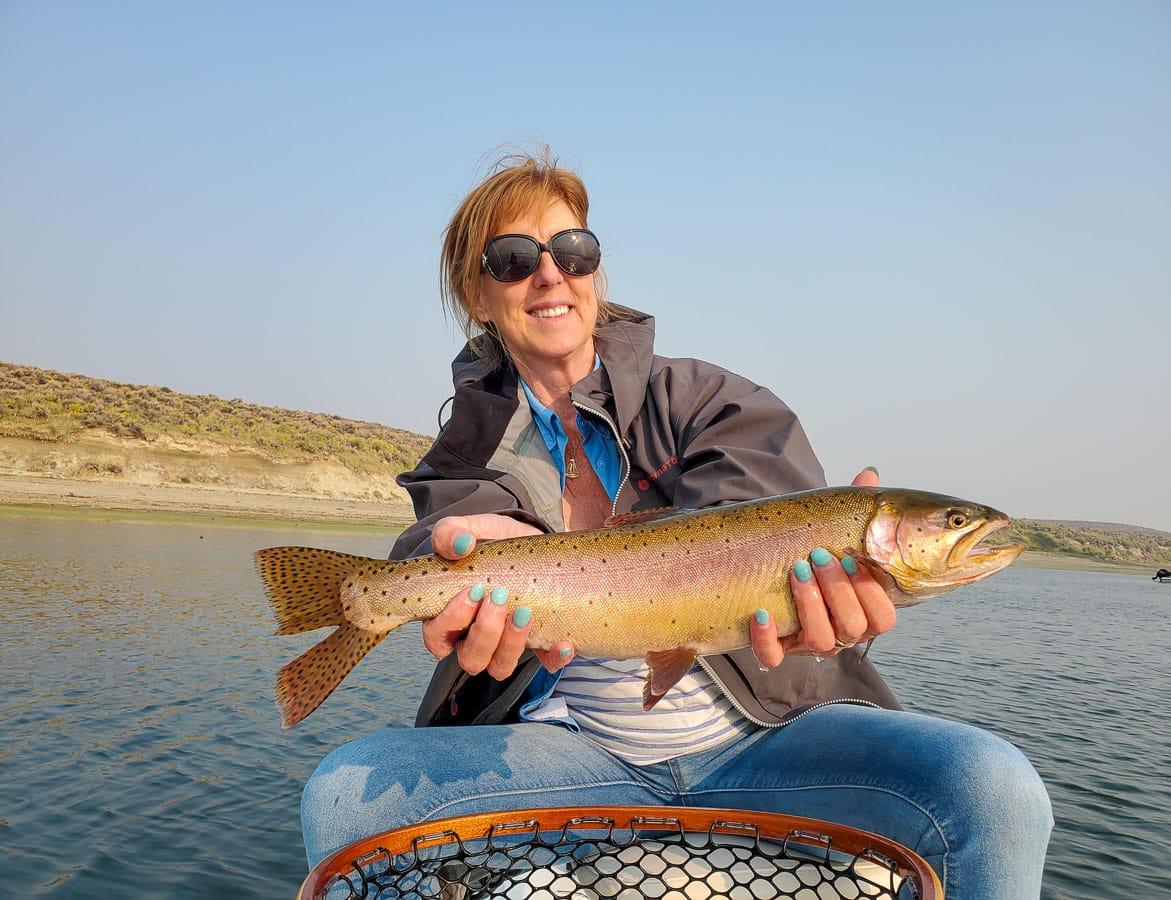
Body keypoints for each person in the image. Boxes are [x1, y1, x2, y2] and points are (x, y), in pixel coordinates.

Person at [300, 147, 1053, 898]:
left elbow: (751, 510)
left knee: (993, 789)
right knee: (340, 797)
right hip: (567, 760)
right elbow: (441, 530)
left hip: (770, 743)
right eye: (513, 258)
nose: (550, 273)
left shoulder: (712, 400)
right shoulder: (462, 452)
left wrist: (827, 610)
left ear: (595, 269)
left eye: (573, 250)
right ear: (478, 293)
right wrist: (442, 575)